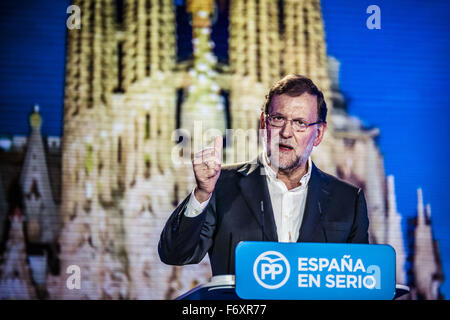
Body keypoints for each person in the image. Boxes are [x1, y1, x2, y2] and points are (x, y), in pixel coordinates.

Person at [158, 74, 369, 276]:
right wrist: (202, 194)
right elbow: (175, 253)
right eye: (278, 118)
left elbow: (359, 282)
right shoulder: (222, 186)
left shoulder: (348, 200)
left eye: (300, 123)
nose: (286, 132)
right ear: (263, 123)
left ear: (319, 134)